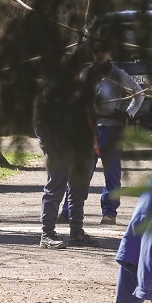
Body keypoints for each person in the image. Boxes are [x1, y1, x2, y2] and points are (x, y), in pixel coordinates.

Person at [35, 55, 97, 249]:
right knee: (55, 191)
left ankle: (77, 232)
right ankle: (47, 234)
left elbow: (90, 118)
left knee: (79, 193)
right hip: (59, 151)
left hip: (82, 151)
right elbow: (40, 125)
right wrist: (51, 150)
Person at [84, 42, 144, 225]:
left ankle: (109, 212)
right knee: (83, 170)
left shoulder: (118, 74)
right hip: (90, 129)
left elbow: (139, 93)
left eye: (102, 51)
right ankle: (69, 210)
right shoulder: (86, 74)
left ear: (109, 52)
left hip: (111, 129)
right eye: (95, 51)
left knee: (112, 173)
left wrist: (128, 113)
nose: (99, 55)